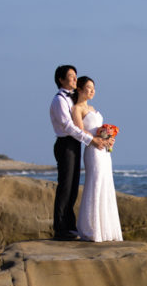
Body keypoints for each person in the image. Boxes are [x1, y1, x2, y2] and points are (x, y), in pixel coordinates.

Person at [49, 65, 110, 240]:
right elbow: (68, 127)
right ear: (61, 80)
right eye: (71, 76)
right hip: (65, 143)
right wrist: (90, 140)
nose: (75, 79)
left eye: (75, 76)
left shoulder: (72, 100)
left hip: (75, 144)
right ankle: (60, 229)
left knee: (73, 187)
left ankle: (69, 225)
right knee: (65, 186)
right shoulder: (59, 100)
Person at [71, 76, 122, 242]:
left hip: (104, 151)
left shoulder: (92, 107)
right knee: (96, 183)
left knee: (106, 184)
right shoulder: (77, 108)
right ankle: (92, 229)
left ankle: (106, 229)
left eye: (93, 88)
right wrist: (96, 139)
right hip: (92, 150)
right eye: (88, 87)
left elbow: (99, 129)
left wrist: (108, 138)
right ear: (79, 89)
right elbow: (79, 130)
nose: (92, 91)